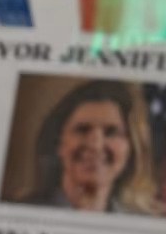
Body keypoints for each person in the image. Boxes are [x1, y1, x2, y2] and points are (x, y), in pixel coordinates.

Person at [17, 80, 156, 214]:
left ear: (130, 149)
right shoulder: (20, 212)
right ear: (58, 143)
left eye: (111, 132)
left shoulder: (143, 224)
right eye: (82, 130)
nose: (95, 145)